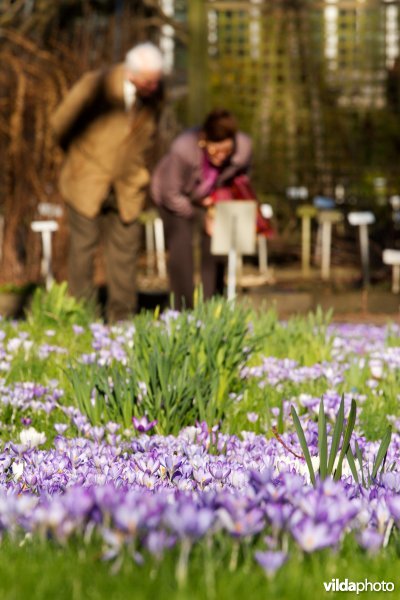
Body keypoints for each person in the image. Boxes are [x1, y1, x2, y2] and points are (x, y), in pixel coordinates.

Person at [50, 42, 164, 322]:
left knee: (124, 255)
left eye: (157, 81)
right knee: (82, 250)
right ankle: (83, 317)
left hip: (128, 185)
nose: (154, 86)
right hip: (85, 181)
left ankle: (121, 319)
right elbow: (60, 123)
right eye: (149, 81)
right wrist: (81, 158)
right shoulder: (96, 85)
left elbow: (147, 139)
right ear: (130, 74)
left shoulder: (155, 95)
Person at [151, 108, 252, 310]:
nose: (221, 157)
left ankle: (213, 304)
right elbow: (170, 193)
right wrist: (197, 213)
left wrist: (216, 205)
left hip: (212, 198)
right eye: (215, 151)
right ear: (204, 140)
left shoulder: (243, 149)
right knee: (181, 248)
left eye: (226, 151)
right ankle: (182, 309)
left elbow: (242, 180)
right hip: (174, 199)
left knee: (216, 247)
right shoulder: (183, 149)